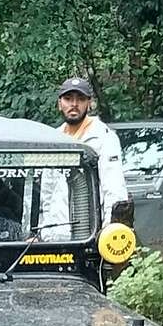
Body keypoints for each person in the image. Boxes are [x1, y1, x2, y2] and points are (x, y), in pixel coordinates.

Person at [56, 78, 130, 225]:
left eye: (81, 99)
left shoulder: (104, 137)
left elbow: (114, 189)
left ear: (89, 104)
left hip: (89, 232)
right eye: (68, 99)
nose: (74, 104)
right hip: (54, 233)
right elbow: (47, 190)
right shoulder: (53, 138)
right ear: (60, 103)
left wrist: (109, 231)